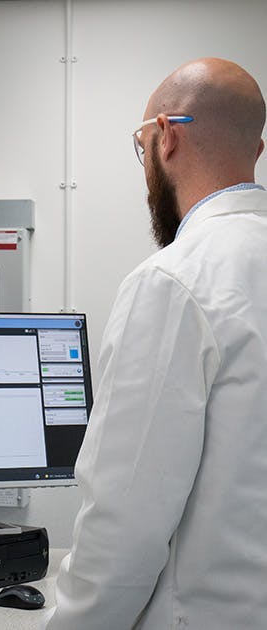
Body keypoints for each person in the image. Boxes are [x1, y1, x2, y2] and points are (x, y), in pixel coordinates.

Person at [47, 58, 267, 629]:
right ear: (257, 149)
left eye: (141, 146)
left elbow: (122, 530)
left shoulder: (174, 282)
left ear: (166, 137)